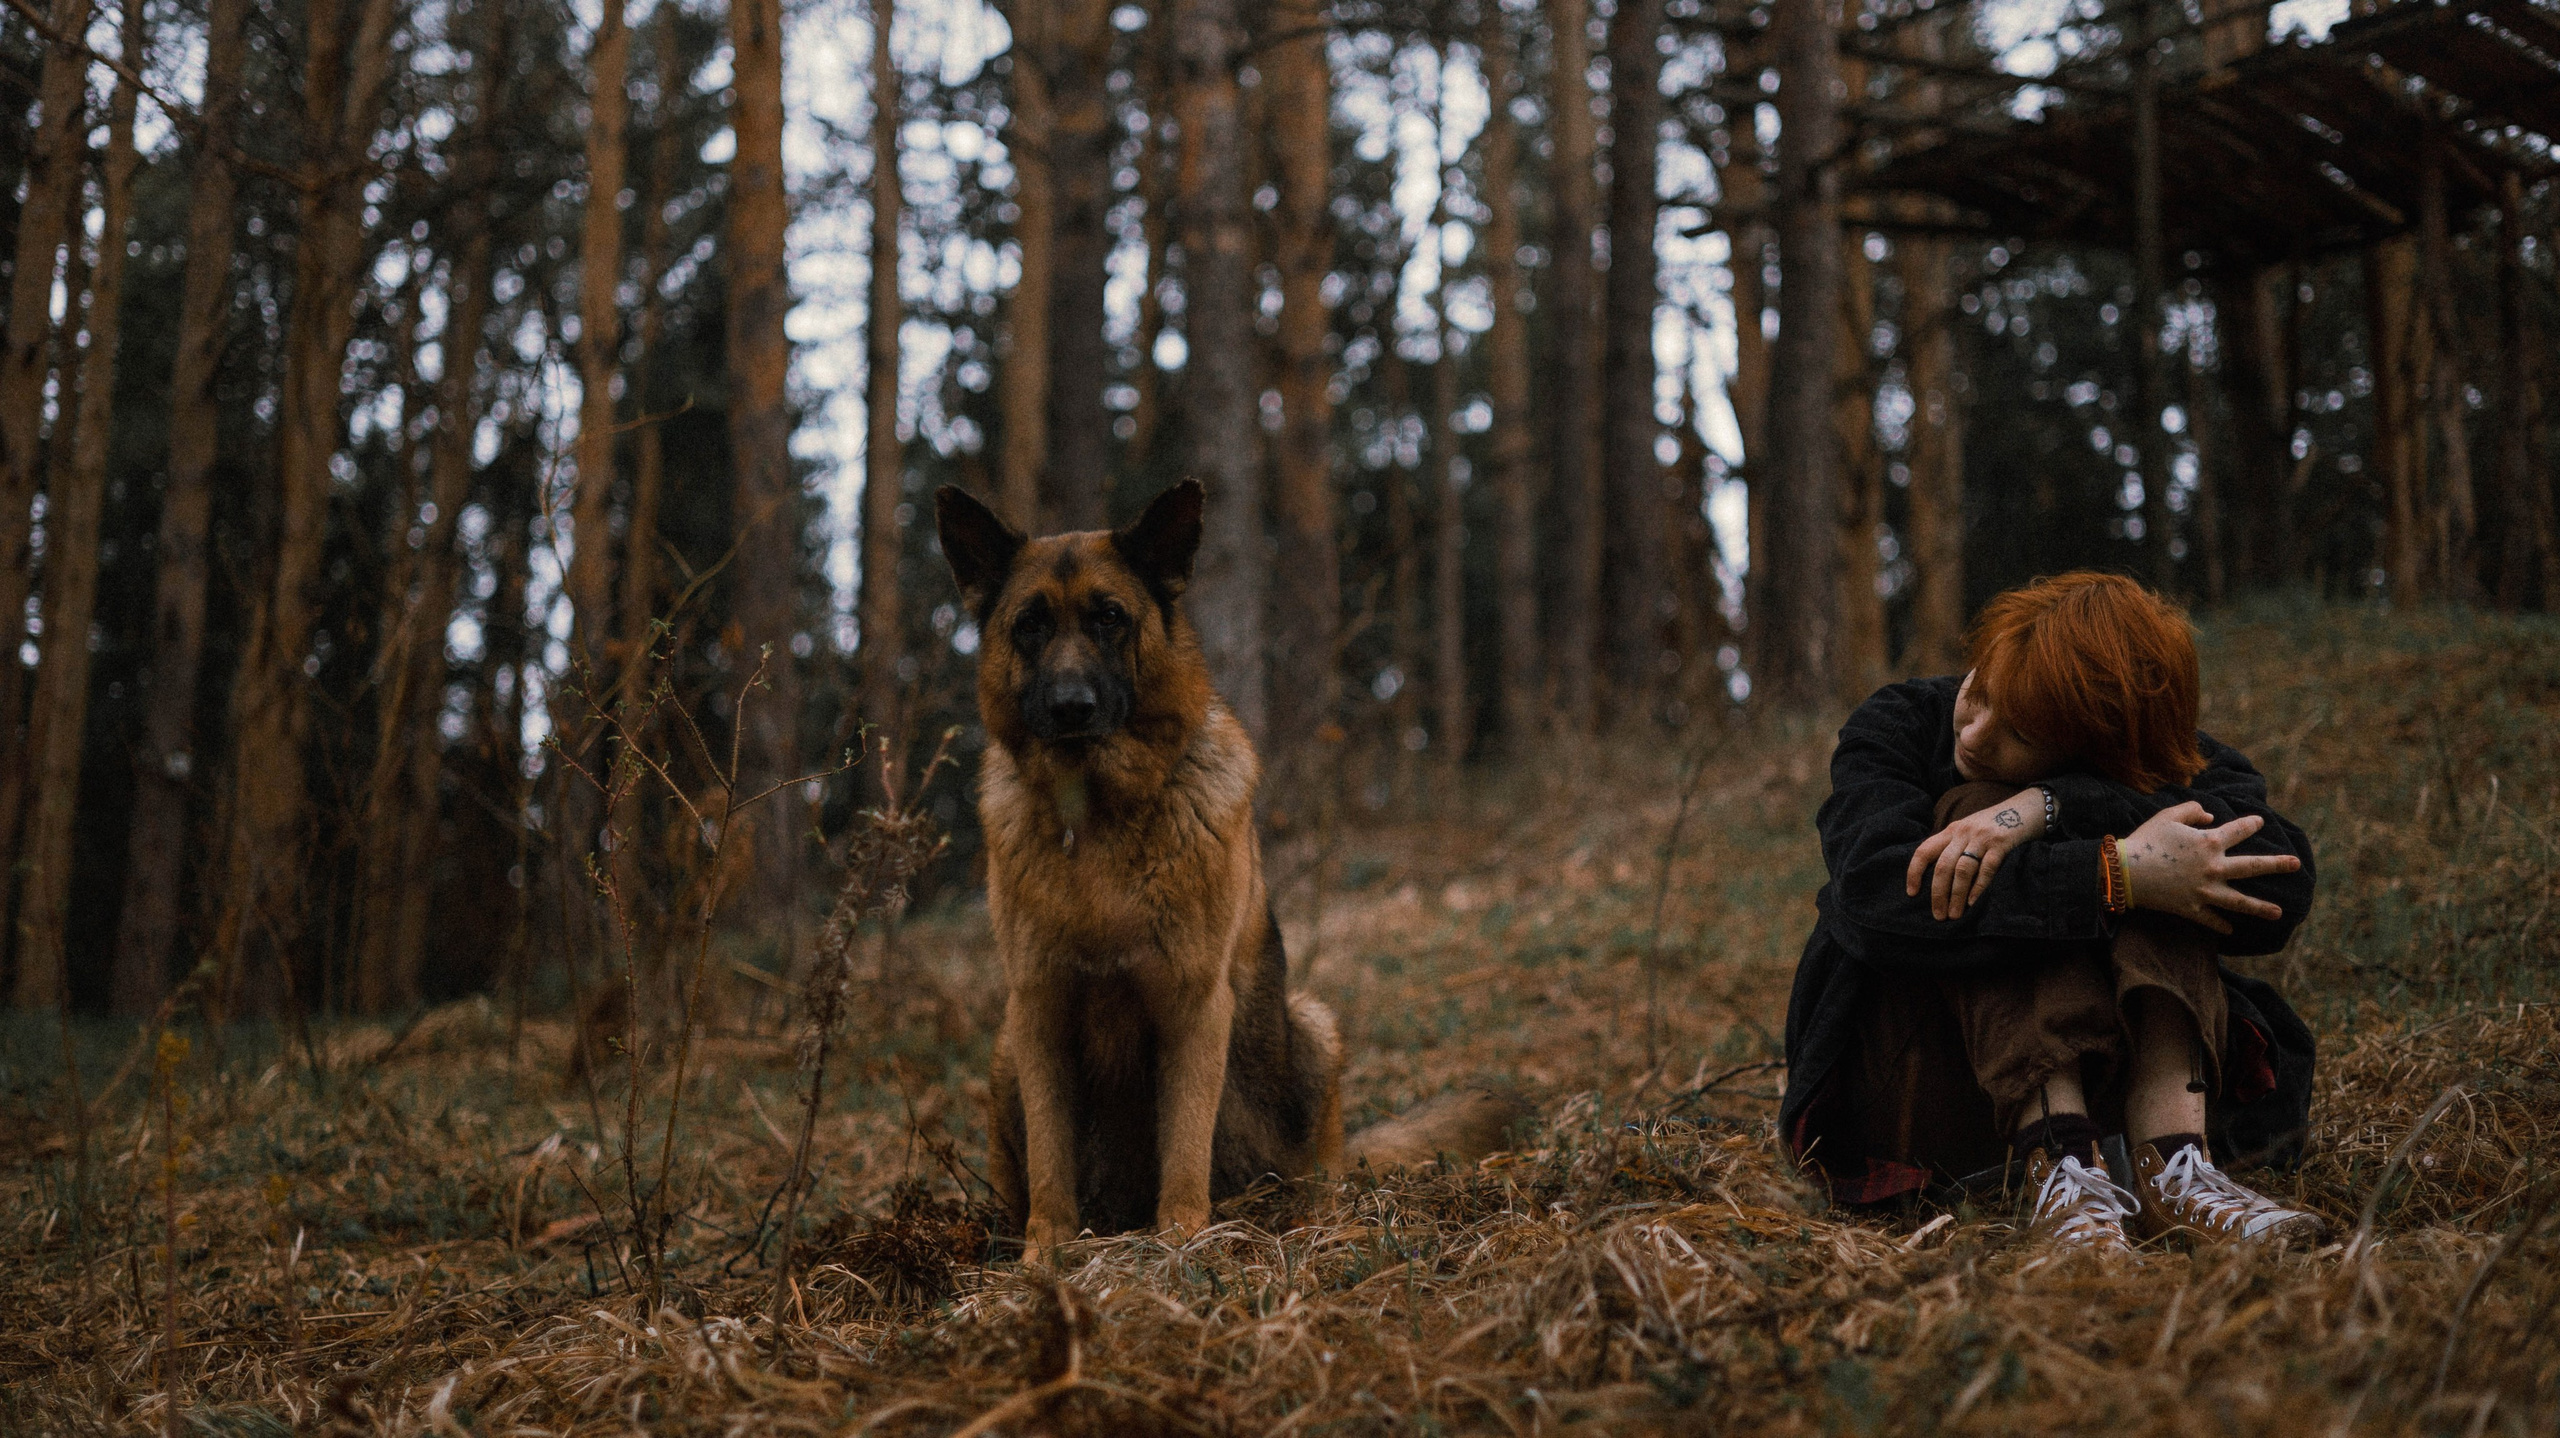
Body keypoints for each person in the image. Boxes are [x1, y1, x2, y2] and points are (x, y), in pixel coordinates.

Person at [1778, 573, 2327, 1252]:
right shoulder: (1897, 722)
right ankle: (2059, 1164)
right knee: (1980, 824)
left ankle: (2178, 1170)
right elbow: (1876, 891)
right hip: (1923, 1089)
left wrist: (2055, 808)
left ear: (2089, 746)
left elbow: (2279, 874)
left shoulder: (2141, 747)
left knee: (2182, 850)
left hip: (2116, 1093)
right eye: (1978, 693)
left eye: (2019, 734)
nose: (1976, 733)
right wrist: (2112, 873)